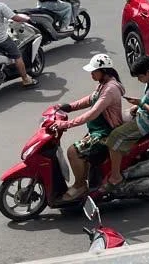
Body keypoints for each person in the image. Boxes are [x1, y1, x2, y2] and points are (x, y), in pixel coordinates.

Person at [53, 54, 126, 202]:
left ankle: (80, 186)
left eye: (94, 71)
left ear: (104, 71)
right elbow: (90, 99)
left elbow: (93, 113)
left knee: (73, 151)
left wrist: (67, 124)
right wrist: (68, 107)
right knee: (80, 151)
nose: (91, 74)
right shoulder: (103, 84)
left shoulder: (110, 89)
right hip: (97, 130)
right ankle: (86, 181)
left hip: (105, 133)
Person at [103, 55, 149, 192]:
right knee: (116, 122)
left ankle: (115, 177)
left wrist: (141, 104)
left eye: (140, 77)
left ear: (148, 72)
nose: (139, 80)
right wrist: (138, 105)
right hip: (143, 115)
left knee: (114, 137)